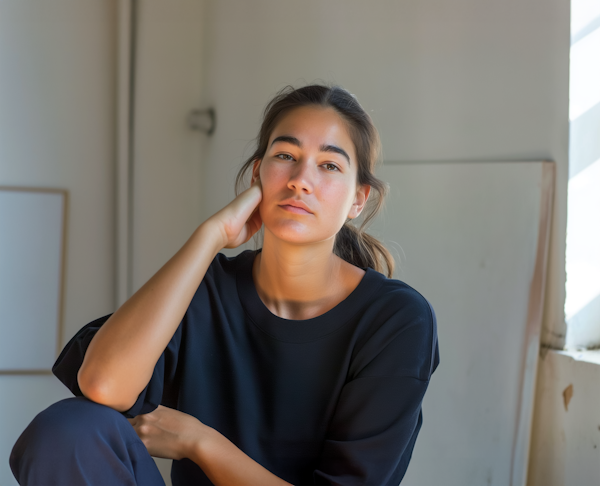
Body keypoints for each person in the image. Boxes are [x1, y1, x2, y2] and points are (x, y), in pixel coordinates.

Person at [10, 84, 440, 486]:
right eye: (285, 155)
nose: (300, 179)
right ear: (258, 174)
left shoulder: (396, 320)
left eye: (329, 165)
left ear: (358, 199)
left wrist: (199, 441)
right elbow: (103, 385)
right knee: (69, 428)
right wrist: (210, 235)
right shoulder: (207, 288)